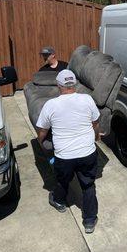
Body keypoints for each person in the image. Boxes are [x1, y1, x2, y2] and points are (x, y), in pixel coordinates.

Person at [36, 69, 101, 233]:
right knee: (88, 185)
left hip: (64, 156)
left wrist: (40, 141)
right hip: (87, 153)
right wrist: (96, 137)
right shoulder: (87, 99)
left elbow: (42, 130)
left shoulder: (51, 104)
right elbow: (95, 123)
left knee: (62, 181)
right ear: (75, 84)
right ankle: (89, 221)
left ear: (59, 85)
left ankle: (59, 201)